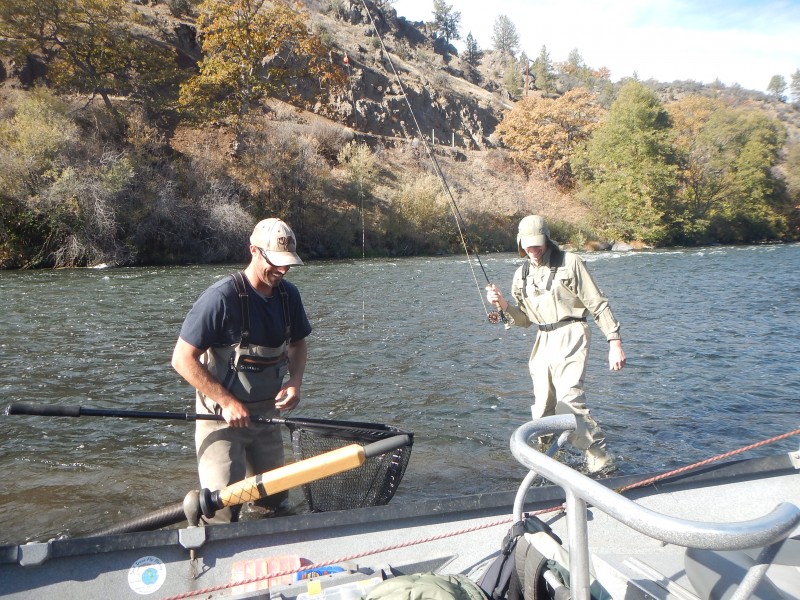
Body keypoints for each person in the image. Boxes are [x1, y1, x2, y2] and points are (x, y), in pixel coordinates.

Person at [172, 218, 312, 523]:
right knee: (221, 508)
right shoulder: (220, 298)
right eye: (276, 263)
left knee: (274, 503)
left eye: (288, 264)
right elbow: (182, 359)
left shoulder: (290, 297)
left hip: (266, 417)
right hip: (221, 420)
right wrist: (226, 401)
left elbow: (298, 345)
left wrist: (295, 382)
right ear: (253, 251)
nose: (283, 270)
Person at [486, 215, 625, 474]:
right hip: (543, 339)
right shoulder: (521, 274)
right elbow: (524, 320)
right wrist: (503, 305)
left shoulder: (570, 262)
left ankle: (601, 462)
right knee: (542, 409)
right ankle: (547, 459)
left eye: (538, 245)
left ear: (547, 241)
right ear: (520, 244)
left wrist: (614, 341)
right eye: (528, 246)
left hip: (572, 332)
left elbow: (598, 304)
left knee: (569, 400)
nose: (534, 251)